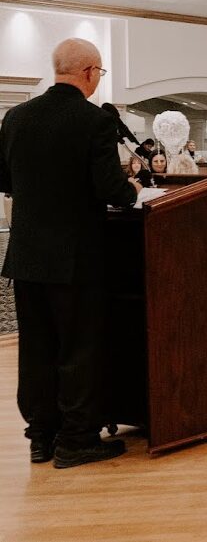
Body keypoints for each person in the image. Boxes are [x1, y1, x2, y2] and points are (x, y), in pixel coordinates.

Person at [0, 37, 138, 468]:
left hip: (26, 255)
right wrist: (131, 188)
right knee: (79, 348)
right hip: (75, 257)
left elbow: (4, 180)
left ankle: (41, 436)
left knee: (36, 347)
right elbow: (110, 189)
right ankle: (77, 439)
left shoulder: (16, 116)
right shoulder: (94, 120)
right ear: (90, 72)